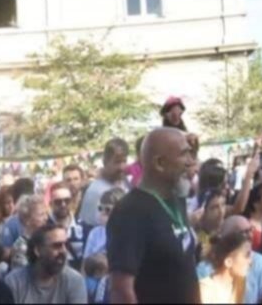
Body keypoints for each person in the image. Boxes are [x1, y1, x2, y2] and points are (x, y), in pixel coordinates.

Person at [107, 127, 200, 304]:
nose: (190, 162)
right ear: (159, 163)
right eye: (183, 155)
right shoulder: (129, 212)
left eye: (190, 154)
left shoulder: (176, 200)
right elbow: (121, 290)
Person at [4, 225, 87, 304]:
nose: (63, 251)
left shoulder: (74, 281)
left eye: (65, 245)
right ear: (38, 251)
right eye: (57, 246)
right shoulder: (14, 282)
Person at [78, 139, 130, 231]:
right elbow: (89, 227)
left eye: (124, 161)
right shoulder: (95, 191)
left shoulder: (127, 184)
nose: (122, 167)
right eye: (117, 162)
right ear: (105, 161)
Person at [197, 228, 252, 305]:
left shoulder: (240, 283)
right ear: (228, 262)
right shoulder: (205, 290)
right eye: (247, 256)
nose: (251, 262)